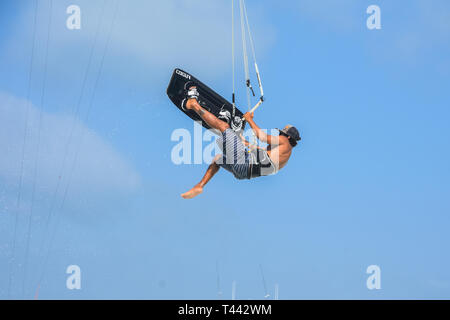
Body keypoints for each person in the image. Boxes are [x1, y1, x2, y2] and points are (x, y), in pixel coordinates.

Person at [181, 86, 301, 199]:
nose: (279, 135)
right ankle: (199, 186)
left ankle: (193, 104)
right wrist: (243, 141)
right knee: (217, 159)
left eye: (282, 134)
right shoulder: (283, 157)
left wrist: (249, 120)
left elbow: (262, 137)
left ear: (288, 137)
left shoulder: (285, 142)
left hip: (243, 163)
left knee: (224, 126)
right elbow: (259, 151)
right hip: (241, 174)